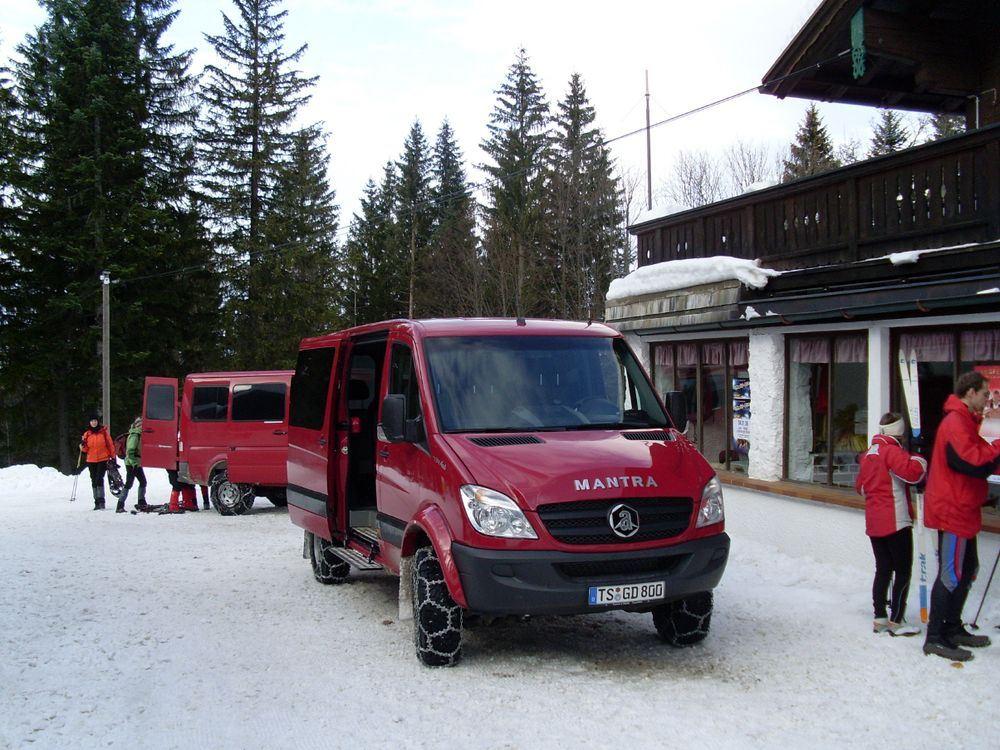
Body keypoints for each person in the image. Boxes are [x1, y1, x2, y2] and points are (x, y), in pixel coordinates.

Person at [922, 371, 1000, 661]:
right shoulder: (955, 422)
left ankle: (953, 628)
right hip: (952, 511)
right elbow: (972, 463)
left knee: (968, 569)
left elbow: (978, 456)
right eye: (984, 393)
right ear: (969, 393)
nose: (987, 398)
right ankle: (935, 637)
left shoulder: (967, 420)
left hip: (963, 508)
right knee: (951, 575)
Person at [855, 412, 927, 636]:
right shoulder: (893, 452)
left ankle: (879, 617)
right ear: (900, 432)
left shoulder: (868, 455)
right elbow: (914, 474)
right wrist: (920, 457)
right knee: (903, 570)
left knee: (883, 569)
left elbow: (861, 487)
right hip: (896, 520)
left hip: (874, 522)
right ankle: (897, 619)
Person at [79, 413, 115, 511]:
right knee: (93, 479)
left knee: (99, 478)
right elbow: (85, 450)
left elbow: (110, 444)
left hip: (103, 459)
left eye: (95, 421)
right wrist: (82, 446)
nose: (94, 423)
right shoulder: (87, 434)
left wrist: (113, 457)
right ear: (89, 423)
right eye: (92, 421)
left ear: (97, 422)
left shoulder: (103, 432)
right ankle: (96, 502)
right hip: (91, 460)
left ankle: (101, 501)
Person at [119, 416, 147, 512]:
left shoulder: (139, 434)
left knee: (142, 481)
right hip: (132, 463)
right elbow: (130, 450)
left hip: (136, 462)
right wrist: (134, 463)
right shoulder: (135, 434)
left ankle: (141, 502)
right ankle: (120, 504)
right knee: (129, 483)